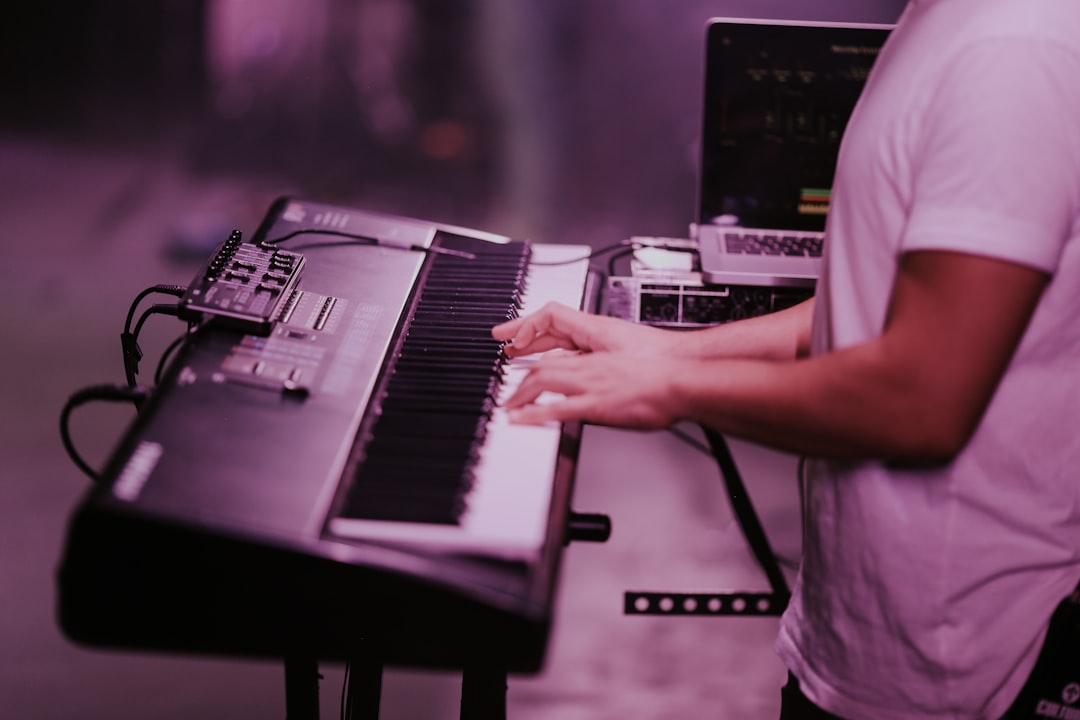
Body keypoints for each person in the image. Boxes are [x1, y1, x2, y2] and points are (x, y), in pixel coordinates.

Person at [491, 0, 1080, 717]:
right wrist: (675, 350)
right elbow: (877, 297)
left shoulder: (1017, 48)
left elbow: (922, 399)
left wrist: (673, 386)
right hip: (860, 648)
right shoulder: (943, 21)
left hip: (968, 673)